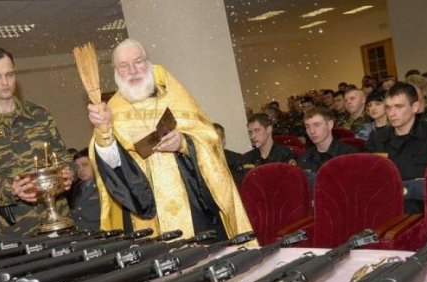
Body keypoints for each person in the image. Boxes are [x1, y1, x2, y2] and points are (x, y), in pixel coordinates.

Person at [86, 38, 252, 240]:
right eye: (123, 65)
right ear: (115, 71)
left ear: (148, 63)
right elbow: (112, 169)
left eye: (138, 61)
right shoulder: (111, 113)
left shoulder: (177, 98)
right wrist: (104, 132)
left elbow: (209, 140)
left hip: (192, 202)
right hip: (143, 209)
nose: (132, 70)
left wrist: (184, 143)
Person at [0, 47, 74, 236]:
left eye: (10, 74)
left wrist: (70, 172)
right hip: (19, 229)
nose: (5, 83)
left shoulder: (39, 114)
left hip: (60, 220)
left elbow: (63, 156)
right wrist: (10, 188)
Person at [366, 82, 427, 214]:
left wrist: (408, 189)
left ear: (415, 107)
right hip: (386, 208)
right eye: (388, 107)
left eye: (398, 107)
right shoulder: (377, 139)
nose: (392, 113)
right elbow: (371, 181)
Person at [297, 107, 358, 174]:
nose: (312, 131)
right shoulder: (304, 157)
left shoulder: (349, 154)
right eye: (308, 127)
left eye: (317, 125)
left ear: (330, 124)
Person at [236, 113, 296, 181]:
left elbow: (292, 184)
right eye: (250, 132)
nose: (252, 136)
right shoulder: (245, 159)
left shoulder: (285, 155)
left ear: (268, 129)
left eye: (257, 130)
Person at [69, 148, 100, 230]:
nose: (80, 170)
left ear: (95, 164)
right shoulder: (75, 187)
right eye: (77, 167)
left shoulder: (103, 186)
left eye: (85, 164)